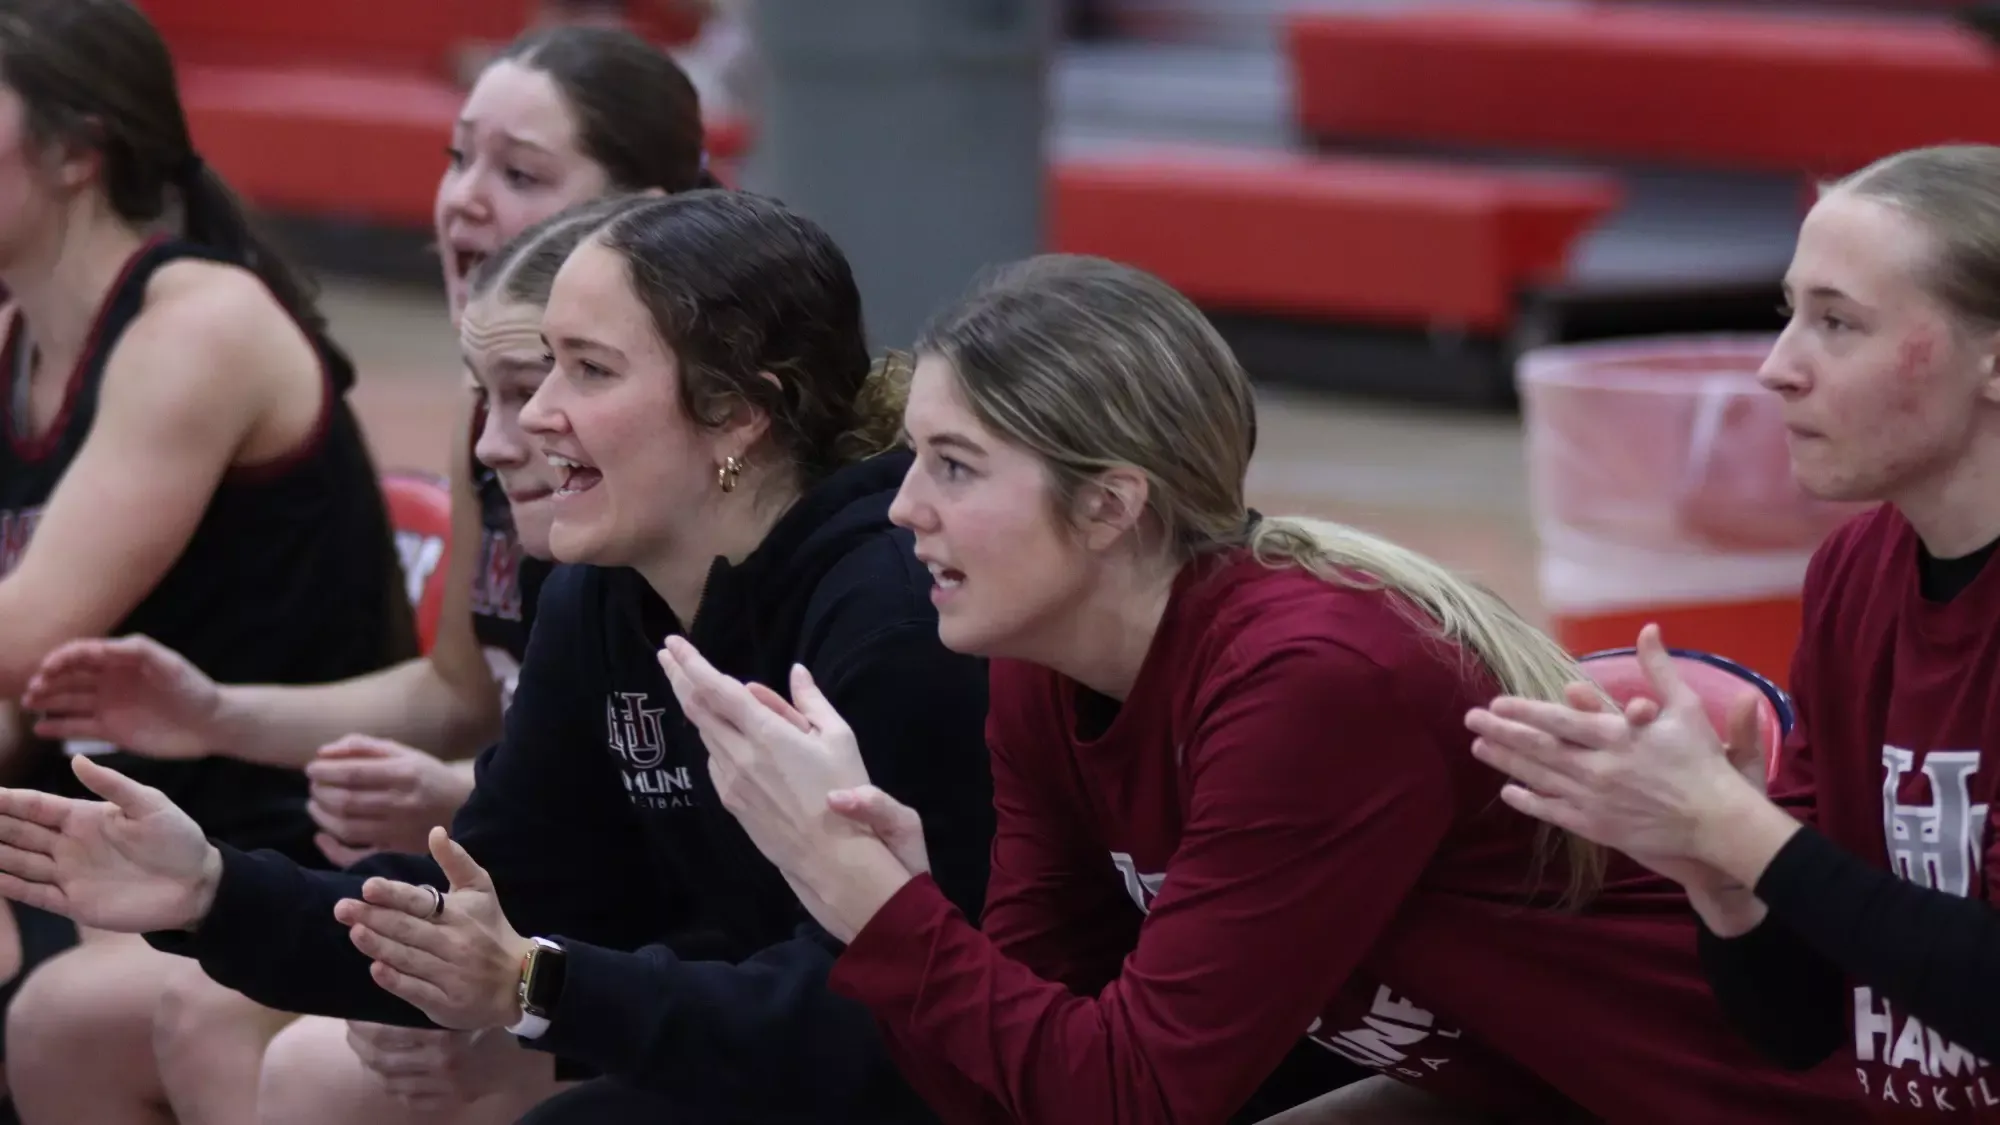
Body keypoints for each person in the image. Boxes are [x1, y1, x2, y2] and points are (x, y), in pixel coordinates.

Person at [657, 253, 1871, 1124]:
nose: (905, 507)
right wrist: (900, 898)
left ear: (1109, 504)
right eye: (912, 457)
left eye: (953, 465)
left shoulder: (1310, 680)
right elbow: (1016, 1092)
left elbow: (1139, 1095)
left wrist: (873, 905)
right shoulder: (1045, 669)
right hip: (1532, 1082)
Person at [0, 190, 996, 1125]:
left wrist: (539, 993)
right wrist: (210, 889)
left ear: (736, 409)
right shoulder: (603, 595)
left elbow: (888, 1020)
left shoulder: (891, 620)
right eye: (533, 371)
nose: (512, 430)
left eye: (586, 372)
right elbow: (499, 890)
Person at [21, 25, 719, 1125]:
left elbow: (677, 826)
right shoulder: (487, 418)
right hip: (505, 864)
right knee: (68, 1022)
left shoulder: (664, 490)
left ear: (649, 214)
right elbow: (460, 695)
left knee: (237, 1029)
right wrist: (212, 713)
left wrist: (467, 821)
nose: (462, 200)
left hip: (591, 915)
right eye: (456, 158)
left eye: (520, 172)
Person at [1465, 143, 2000, 1118]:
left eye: (1835, 323)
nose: (1774, 368)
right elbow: (1798, 1030)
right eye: (1786, 313)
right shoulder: (1853, 574)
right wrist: (1719, 882)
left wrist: (1739, 830)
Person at [0, 0, 415, 1119]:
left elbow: (25, 632)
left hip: (249, 851)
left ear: (78, 149)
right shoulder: (19, 337)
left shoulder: (197, 328)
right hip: (91, 824)